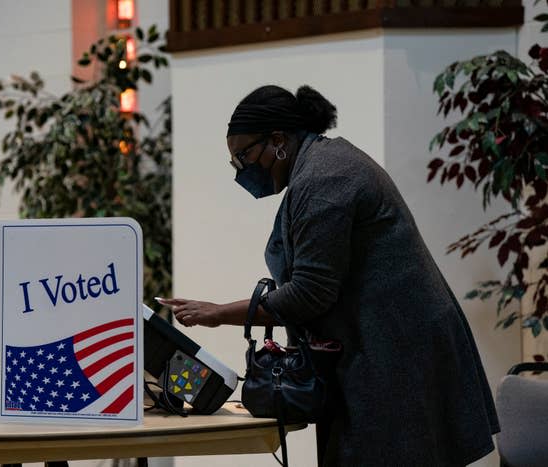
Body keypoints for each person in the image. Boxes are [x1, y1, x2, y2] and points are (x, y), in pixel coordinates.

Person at [156, 85, 501, 466]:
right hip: (378, 343)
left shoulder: (325, 180)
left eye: (244, 157)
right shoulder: (321, 165)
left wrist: (219, 313)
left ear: (278, 140)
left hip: (398, 350)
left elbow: (310, 294)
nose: (242, 170)